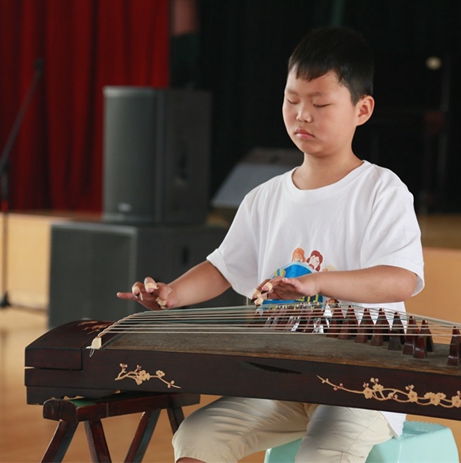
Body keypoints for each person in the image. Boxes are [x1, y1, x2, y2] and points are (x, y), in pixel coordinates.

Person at [117, 26, 424, 463]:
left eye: (319, 104)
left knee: (323, 452)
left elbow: (400, 279)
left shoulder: (381, 190)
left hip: (363, 385)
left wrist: (318, 283)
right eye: (291, 100)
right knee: (198, 436)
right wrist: (172, 294)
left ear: (362, 109)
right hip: (283, 380)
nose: (302, 115)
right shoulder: (264, 197)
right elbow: (223, 268)